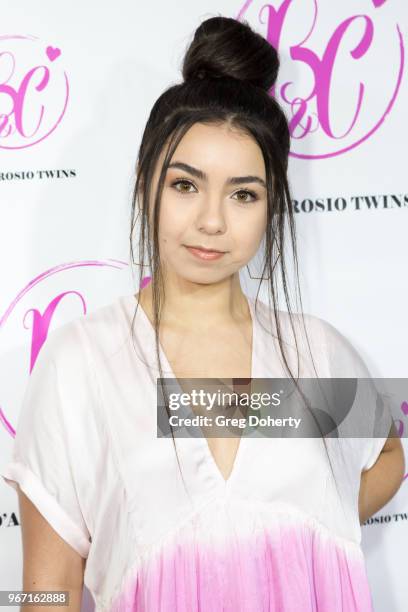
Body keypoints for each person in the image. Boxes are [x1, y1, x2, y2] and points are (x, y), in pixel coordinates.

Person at [1, 15, 405, 612]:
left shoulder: (313, 351)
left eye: (243, 193)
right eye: (186, 185)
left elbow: (388, 457)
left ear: (271, 207)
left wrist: (303, 545)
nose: (212, 221)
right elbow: (45, 591)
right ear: (146, 186)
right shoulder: (81, 365)